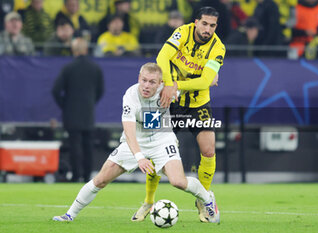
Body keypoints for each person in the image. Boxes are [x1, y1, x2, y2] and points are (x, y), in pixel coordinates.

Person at [52, 63, 220, 223]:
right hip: (135, 140)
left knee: (178, 181)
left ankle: (207, 199)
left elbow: (192, 84)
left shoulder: (168, 91)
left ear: (161, 83)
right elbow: (129, 131)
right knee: (101, 180)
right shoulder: (131, 95)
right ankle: (69, 215)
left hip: (162, 140)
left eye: (152, 82)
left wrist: (210, 80)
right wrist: (139, 157)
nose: (146, 85)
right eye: (144, 80)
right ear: (139, 78)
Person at [132, 7, 225, 223]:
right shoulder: (182, 32)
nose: (207, 29)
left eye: (212, 26)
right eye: (204, 24)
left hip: (198, 103)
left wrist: (174, 86)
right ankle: (148, 201)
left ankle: (202, 200)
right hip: (168, 102)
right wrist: (168, 87)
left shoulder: (218, 47)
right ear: (196, 22)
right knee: (155, 151)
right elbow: (162, 56)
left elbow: (204, 81)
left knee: (209, 150)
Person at [52, 38, 104, 182]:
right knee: (88, 146)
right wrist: (91, 102)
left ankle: (75, 175)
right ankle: (87, 176)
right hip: (88, 112)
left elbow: (55, 90)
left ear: (73, 50)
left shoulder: (68, 68)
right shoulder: (95, 68)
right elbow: (101, 91)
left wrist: (65, 105)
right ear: (86, 49)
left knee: (74, 145)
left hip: (71, 113)